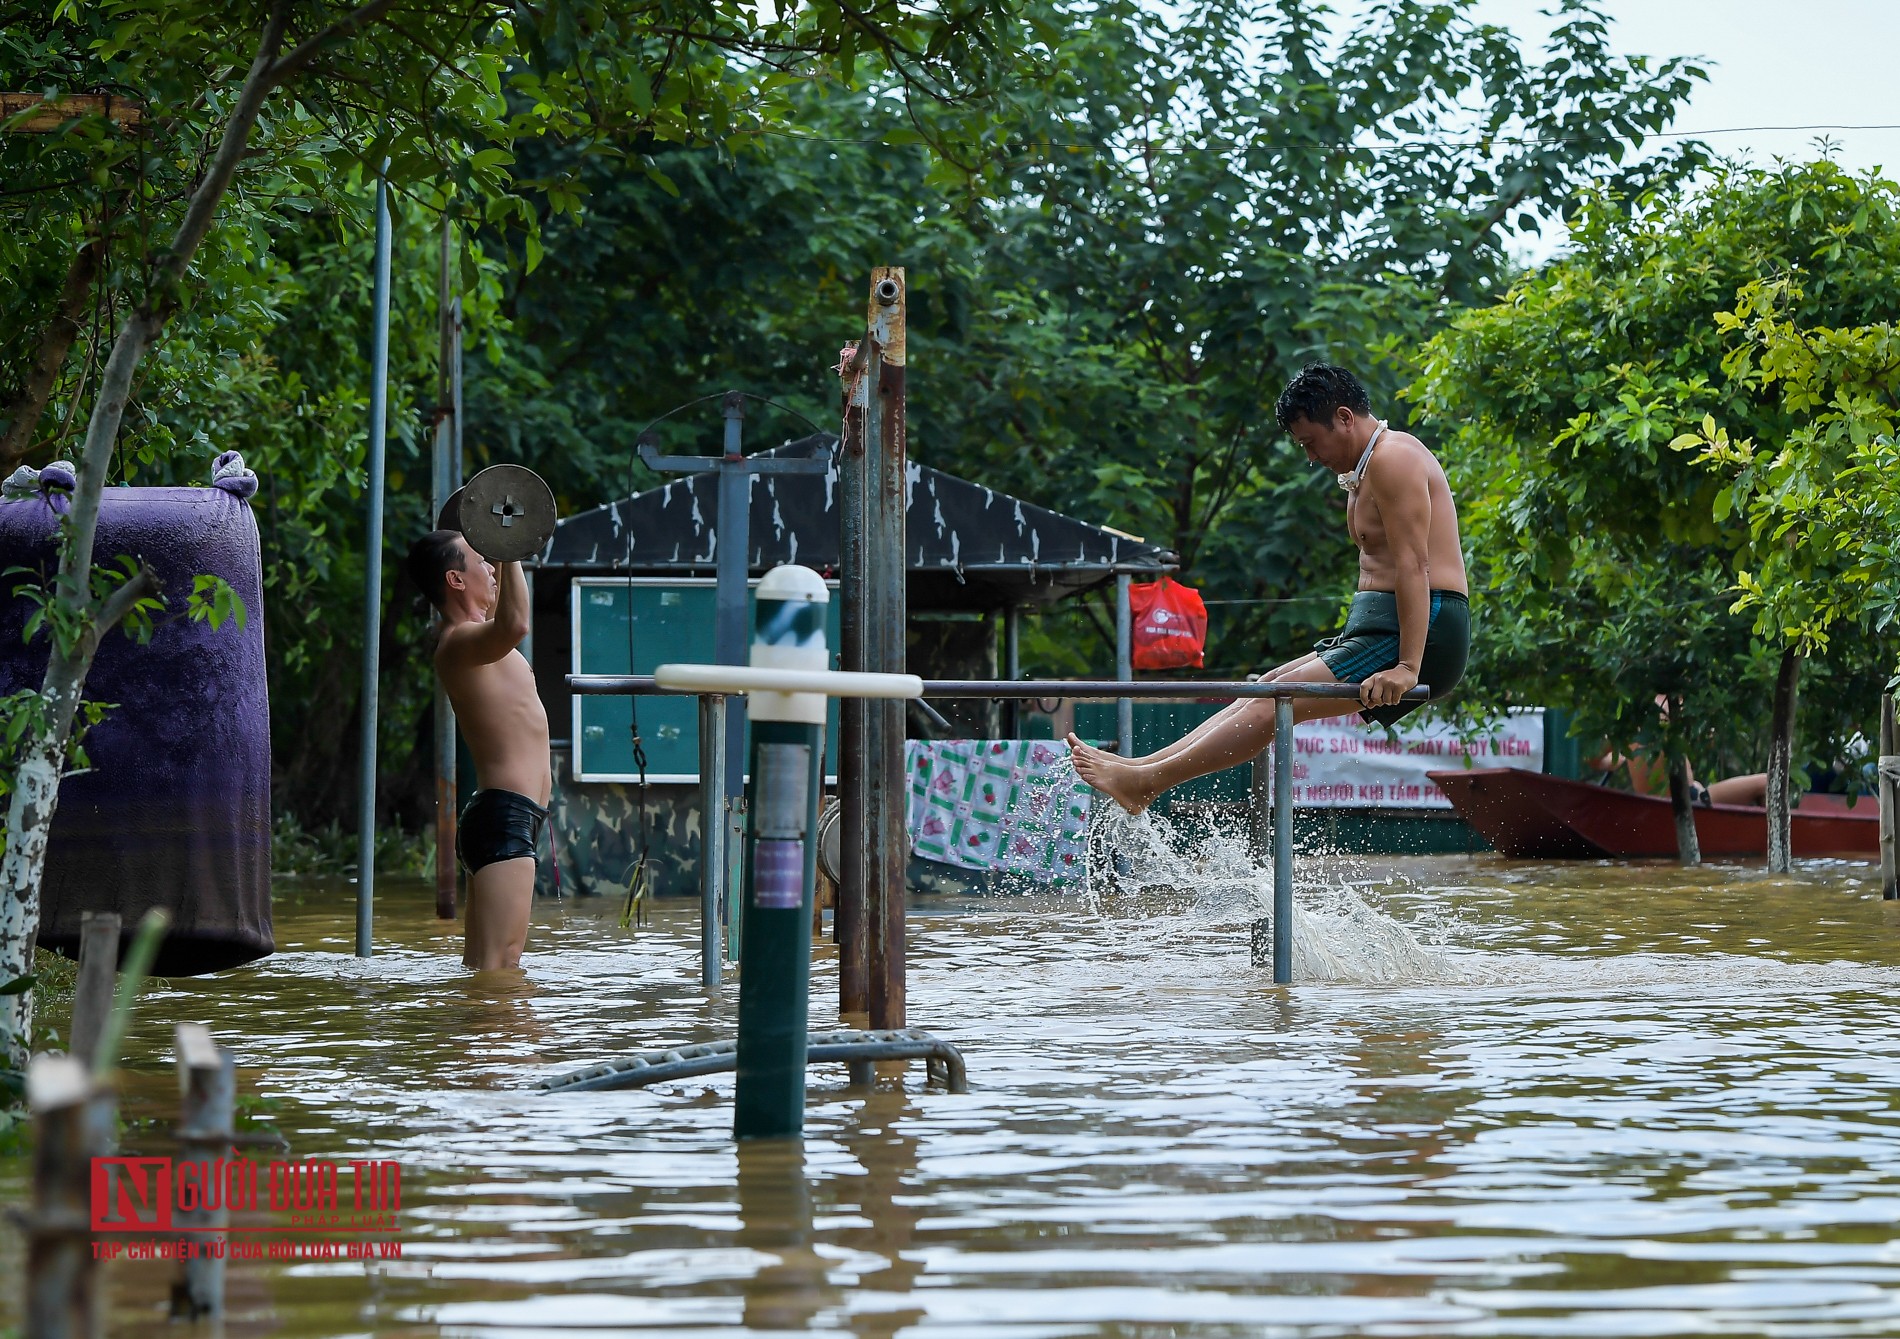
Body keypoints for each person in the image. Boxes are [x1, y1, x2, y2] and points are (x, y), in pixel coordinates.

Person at [1069, 363, 1471, 814]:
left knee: (1275, 701)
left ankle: (1147, 783)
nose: (1311, 457)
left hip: (1423, 629)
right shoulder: (1368, 465)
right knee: (1264, 687)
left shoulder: (1392, 458)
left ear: (1343, 417)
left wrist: (1408, 666)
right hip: (1383, 624)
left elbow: (1414, 565)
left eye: (1311, 443)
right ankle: (1143, 769)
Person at [405, 530, 551, 970]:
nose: (491, 568)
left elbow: (508, 623)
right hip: (503, 817)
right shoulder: (457, 642)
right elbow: (516, 624)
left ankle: (480, 1040)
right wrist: (511, 547)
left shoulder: (480, 641)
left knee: (490, 968)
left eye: (494, 559)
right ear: (455, 579)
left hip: (511, 817)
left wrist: (505, 549)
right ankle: (495, 1038)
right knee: (499, 967)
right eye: (481, 560)